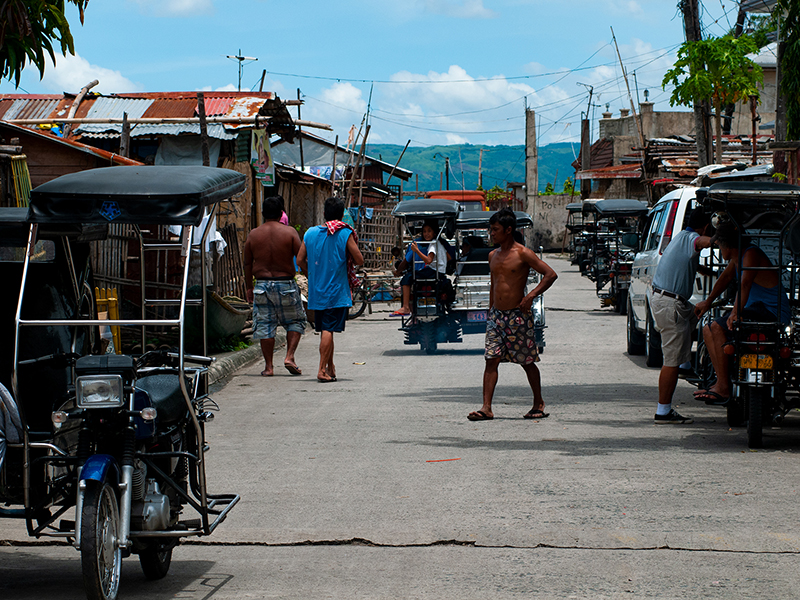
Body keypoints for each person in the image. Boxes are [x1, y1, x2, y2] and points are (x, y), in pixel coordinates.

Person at [467, 207, 558, 421]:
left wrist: (531, 296)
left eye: (495, 230)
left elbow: (550, 274)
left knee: (526, 361)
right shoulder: (492, 255)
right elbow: (494, 284)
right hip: (497, 317)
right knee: (491, 359)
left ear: (508, 230)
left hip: (518, 316)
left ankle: (539, 403)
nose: (491, 234)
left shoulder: (523, 253)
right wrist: (491, 308)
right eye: (490, 230)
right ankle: (486, 408)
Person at [693, 222, 791, 404]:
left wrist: (734, 313)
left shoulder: (750, 254)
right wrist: (708, 302)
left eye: (719, 244)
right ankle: (721, 381)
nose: (718, 248)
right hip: (756, 309)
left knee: (717, 327)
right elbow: (725, 278)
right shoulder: (738, 258)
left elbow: (744, 284)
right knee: (707, 329)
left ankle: (723, 387)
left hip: (770, 311)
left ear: (727, 244)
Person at [649, 207, 715, 424]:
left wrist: (716, 274)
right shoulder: (692, 239)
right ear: (705, 226)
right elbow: (703, 243)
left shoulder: (681, 237)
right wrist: (721, 238)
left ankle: (687, 366)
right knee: (671, 360)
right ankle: (663, 410)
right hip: (670, 303)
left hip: (668, 300)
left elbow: (694, 264)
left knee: (694, 314)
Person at [297, 197, 364, 383]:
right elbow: (359, 260)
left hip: (317, 292)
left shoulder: (310, 233)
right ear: (342, 214)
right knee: (328, 329)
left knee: (328, 328)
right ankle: (321, 370)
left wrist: (312, 274)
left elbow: (300, 260)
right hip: (336, 292)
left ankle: (330, 367)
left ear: (324, 214)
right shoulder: (344, 234)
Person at [243, 196, 306, 377]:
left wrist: (249, 287)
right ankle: (289, 357)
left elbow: (247, 263)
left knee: (265, 325)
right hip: (285, 283)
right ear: (281, 213)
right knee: (295, 321)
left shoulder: (253, 234)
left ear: (263, 214)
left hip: (261, 285)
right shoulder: (290, 232)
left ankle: (269, 367)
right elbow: (301, 258)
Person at [390, 220, 448, 316]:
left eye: (429, 231)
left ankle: (406, 307)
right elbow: (448, 257)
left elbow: (428, 260)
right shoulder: (439, 243)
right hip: (438, 271)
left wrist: (416, 250)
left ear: (434, 233)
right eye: (424, 231)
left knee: (406, 279)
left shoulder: (432, 244)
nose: (426, 234)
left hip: (433, 271)